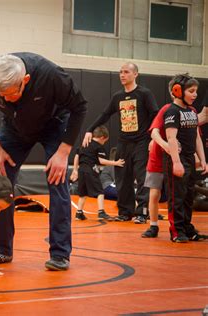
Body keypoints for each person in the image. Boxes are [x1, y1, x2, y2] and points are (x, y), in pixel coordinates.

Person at [0, 53, 87, 271]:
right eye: (1, 95)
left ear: (25, 80)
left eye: (11, 94)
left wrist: (64, 151)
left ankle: (60, 254)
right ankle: (1, 249)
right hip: (15, 128)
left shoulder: (52, 75)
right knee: (0, 181)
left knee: (57, 180)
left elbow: (80, 107)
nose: (5, 99)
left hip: (54, 125)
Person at [82, 62, 158, 224]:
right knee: (122, 177)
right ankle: (125, 212)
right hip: (124, 142)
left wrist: (153, 138)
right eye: (120, 72)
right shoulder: (118, 96)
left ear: (135, 74)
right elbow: (104, 114)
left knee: (141, 177)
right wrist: (89, 129)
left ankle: (142, 213)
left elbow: (155, 115)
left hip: (141, 142)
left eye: (126, 72)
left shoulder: (144, 94)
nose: (122, 75)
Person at [163, 73, 207, 242]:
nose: (195, 94)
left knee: (189, 196)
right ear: (177, 90)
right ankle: (176, 231)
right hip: (177, 159)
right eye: (191, 91)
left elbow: (196, 137)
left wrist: (202, 159)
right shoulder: (172, 111)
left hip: (189, 158)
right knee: (177, 197)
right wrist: (176, 162)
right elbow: (171, 138)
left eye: (196, 91)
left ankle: (187, 228)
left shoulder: (192, 111)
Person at [70, 126, 124, 221]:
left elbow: (76, 156)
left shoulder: (85, 143)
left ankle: (79, 213)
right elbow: (101, 160)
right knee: (100, 191)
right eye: (105, 141)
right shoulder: (98, 146)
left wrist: (75, 170)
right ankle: (101, 212)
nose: (104, 143)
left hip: (81, 170)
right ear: (102, 137)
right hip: (91, 169)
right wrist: (115, 163)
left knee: (83, 193)